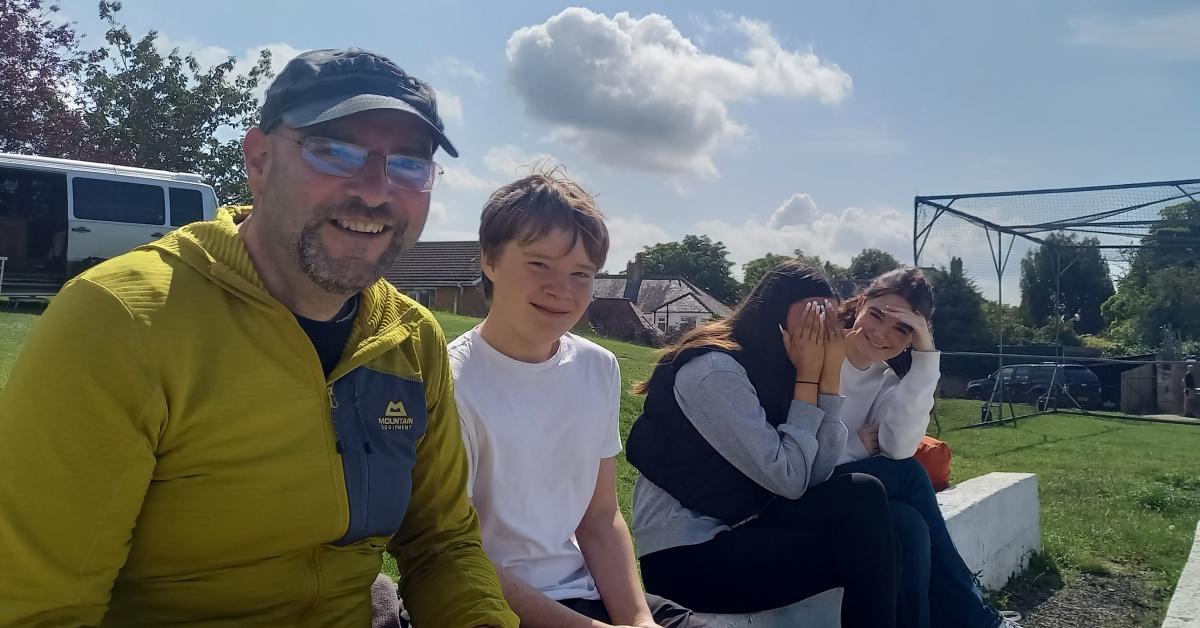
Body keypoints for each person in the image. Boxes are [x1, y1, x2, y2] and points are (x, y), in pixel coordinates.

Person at [0, 48, 516, 628]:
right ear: (260, 159)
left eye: (408, 166)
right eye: (335, 151)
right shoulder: (122, 320)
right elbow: (41, 606)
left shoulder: (410, 338)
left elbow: (441, 543)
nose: (375, 192)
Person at [449, 172, 713, 628]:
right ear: (489, 261)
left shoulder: (598, 367)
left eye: (581, 274)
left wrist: (638, 621)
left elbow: (600, 517)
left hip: (583, 593)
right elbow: (457, 557)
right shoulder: (452, 382)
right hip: (492, 607)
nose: (563, 290)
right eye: (539, 265)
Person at [626, 261, 900, 628]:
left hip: (741, 524)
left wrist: (828, 376)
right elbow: (788, 478)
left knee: (869, 500)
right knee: (869, 551)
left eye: (829, 322)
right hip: (686, 556)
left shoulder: (775, 369)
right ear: (775, 317)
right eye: (811, 320)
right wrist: (808, 376)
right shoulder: (715, 371)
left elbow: (813, 475)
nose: (821, 333)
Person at [830, 267, 1020, 628]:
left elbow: (898, 447)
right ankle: (977, 619)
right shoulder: (817, 351)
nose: (882, 333)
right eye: (877, 315)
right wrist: (853, 445)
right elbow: (790, 446)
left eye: (902, 329)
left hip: (845, 492)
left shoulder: (885, 380)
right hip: (792, 489)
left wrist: (927, 354)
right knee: (911, 475)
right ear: (860, 303)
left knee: (910, 524)